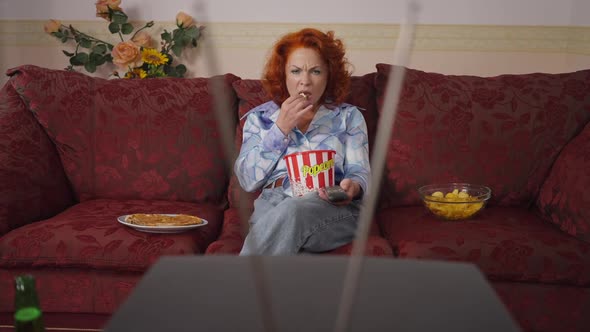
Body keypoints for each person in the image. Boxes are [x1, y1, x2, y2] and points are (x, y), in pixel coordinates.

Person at [235, 28, 371, 255]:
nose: (305, 81)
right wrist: (280, 129)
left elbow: (360, 171)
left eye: (316, 71)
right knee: (290, 231)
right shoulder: (260, 119)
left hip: (330, 207)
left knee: (294, 212)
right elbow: (247, 180)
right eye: (296, 71)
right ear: (283, 75)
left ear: (329, 75)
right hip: (273, 205)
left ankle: (233, 285)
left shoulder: (348, 117)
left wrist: (353, 186)